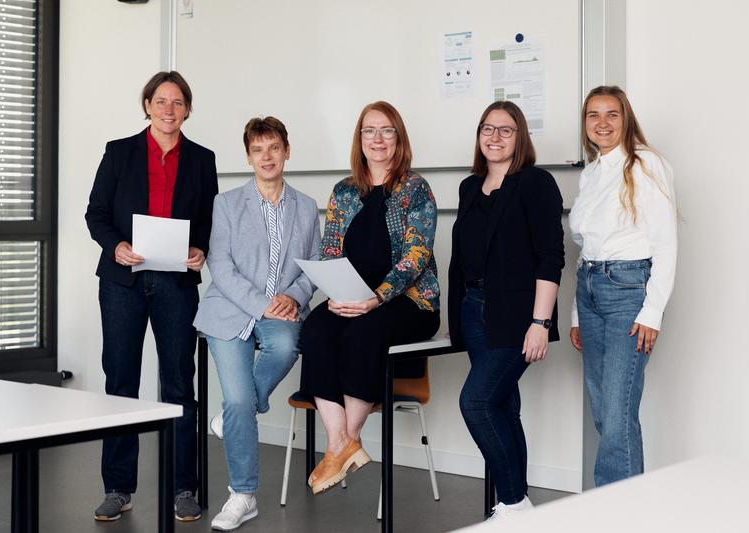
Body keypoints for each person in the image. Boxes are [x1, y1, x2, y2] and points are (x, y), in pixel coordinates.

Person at [85, 71, 218, 521]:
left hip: (176, 284)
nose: (168, 109)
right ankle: (118, 487)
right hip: (123, 282)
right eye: (160, 101)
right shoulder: (119, 152)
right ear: (147, 105)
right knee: (120, 382)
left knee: (179, 384)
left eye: (177, 102)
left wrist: (200, 249)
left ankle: (183, 487)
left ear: (188, 110)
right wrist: (115, 245)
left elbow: (206, 222)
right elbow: (96, 213)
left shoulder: (202, 159)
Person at [298, 101, 440, 495]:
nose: (377, 139)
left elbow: (416, 256)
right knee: (315, 328)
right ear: (359, 140)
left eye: (387, 130)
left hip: (410, 303)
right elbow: (330, 250)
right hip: (353, 298)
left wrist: (374, 299)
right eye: (369, 131)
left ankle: (345, 440)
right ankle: (340, 444)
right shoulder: (344, 192)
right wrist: (337, 291)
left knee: (363, 331)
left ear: (399, 138)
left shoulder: (415, 189)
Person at [193, 116, 320, 530]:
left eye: (274, 148)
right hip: (231, 309)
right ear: (248, 156)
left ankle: (236, 416)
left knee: (284, 348)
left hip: (282, 311)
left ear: (287, 151)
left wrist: (292, 297)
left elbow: (313, 266)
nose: (267, 157)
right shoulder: (227, 204)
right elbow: (221, 266)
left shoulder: (305, 206)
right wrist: (261, 304)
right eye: (258, 150)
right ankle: (243, 495)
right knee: (237, 400)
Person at [448, 101, 564, 521]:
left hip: (517, 315)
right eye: (487, 129)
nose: (494, 137)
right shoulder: (468, 187)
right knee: (501, 406)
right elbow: (463, 258)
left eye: (506, 130)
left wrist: (540, 322)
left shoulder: (535, 183)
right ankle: (516, 506)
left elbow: (551, 256)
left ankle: (515, 503)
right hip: (474, 310)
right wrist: (455, 316)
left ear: (520, 138)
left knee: (476, 403)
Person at [569, 86, 677, 486]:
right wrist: (578, 311)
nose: (602, 123)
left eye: (612, 114)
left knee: (617, 413)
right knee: (603, 410)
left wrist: (653, 311)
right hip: (590, 289)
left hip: (628, 291)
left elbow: (666, 243)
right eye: (593, 115)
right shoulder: (591, 172)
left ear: (626, 119)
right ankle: (622, 506)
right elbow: (585, 247)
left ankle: (620, 517)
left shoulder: (646, 164)